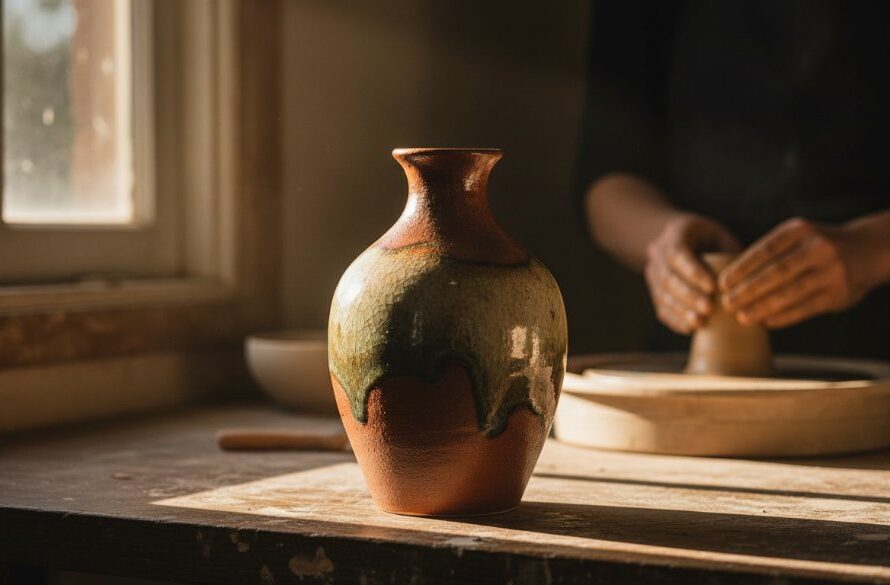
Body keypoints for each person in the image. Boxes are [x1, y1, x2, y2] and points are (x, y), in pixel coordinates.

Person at [579, 0, 890, 359]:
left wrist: (869, 250)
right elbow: (603, 181)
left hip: (873, 345)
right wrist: (664, 247)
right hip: (693, 340)